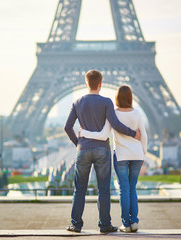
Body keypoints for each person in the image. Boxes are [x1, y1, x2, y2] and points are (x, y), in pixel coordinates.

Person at [64, 70, 141, 233]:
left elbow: (67, 127)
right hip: (102, 150)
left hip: (83, 148)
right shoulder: (106, 102)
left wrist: (78, 143)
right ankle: (105, 224)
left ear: (86, 83)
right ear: (100, 84)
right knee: (104, 189)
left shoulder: (77, 102)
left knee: (79, 189)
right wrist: (134, 133)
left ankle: (76, 224)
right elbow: (116, 124)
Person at [79, 85, 147, 233]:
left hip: (121, 155)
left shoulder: (113, 114)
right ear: (130, 97)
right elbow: (144, 136)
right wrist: (144, 153)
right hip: (136, 155)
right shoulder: (137, 113)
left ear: (117, 98)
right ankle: (134, 221)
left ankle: (125, 224)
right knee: (132, 188)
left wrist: (84, 133)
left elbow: (104, 134)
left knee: (124, 189)